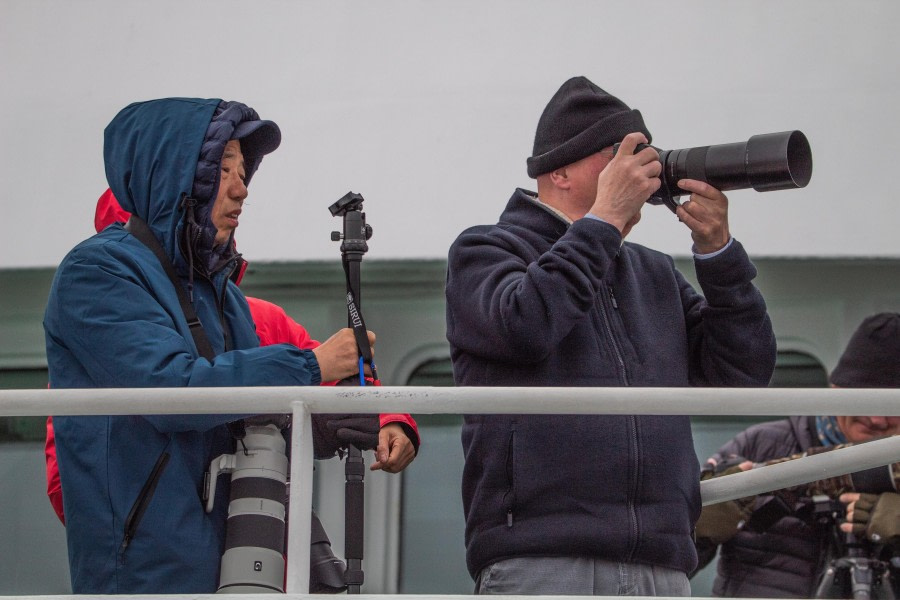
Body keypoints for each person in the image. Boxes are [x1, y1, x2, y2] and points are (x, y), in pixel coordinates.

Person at [445, 76, 776, 596]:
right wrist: (603, 222)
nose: (641, 170)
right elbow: (525, 327)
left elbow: (741, 374)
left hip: (662, 565)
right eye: (619, 155)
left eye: (645, 154)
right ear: (560, 170)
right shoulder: (485, 251)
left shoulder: (652, 272)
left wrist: (718, 252)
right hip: (541, 559)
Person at [43, 98, 387, 593]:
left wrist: (322, 422)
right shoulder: (96, 273)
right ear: (175, 175)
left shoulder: (216, 289)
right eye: (223, 168)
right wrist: (311, 366)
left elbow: (238, 422)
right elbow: (172, 391)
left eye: (244, 171)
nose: (241, 188)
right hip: (146, 578)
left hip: (231, 570)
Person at [695, 312, 900, 598]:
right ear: (835, 389)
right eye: (864, 399)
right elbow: (668, 561)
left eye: (894, 406)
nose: (877, 419)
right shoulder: (760, 445)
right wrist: (697, 529)